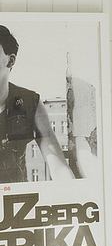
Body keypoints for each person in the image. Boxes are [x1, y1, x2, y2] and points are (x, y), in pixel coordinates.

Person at [0, 25, 74, 183]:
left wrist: (75, 193)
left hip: (18, 202)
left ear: (10, 60)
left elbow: (59, 167)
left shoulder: (29, 103)